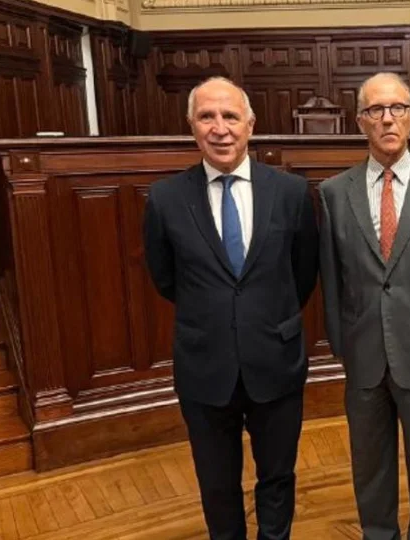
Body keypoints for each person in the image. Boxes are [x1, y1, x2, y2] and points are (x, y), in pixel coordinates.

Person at [142, 76, 319, 540]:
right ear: (191, 126)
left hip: (276, 359)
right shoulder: (165, 199)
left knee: (277, 477)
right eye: (207, 117)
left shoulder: (291, 193)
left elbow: (302, 273)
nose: (219, 128)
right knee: (217, 485)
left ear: (250, 125)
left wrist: (262, 317)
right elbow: (165, 278)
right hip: (205, 364)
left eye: (230, 116)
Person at [318, 72, 410, 540]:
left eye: (397, 108)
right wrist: (341, 343)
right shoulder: (333, 193)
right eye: (375, 110)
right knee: (369, 464)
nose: (387, 119)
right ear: (360, 120)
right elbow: (331, 277)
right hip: (362, 353)